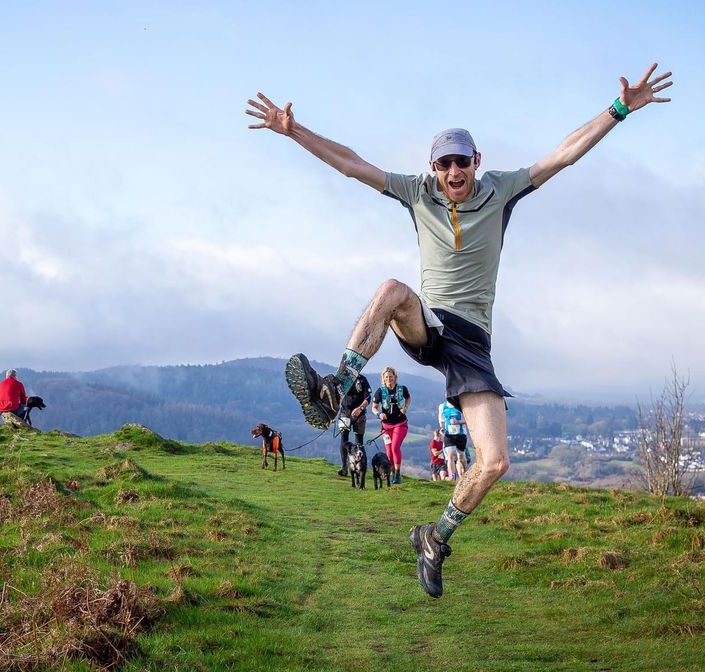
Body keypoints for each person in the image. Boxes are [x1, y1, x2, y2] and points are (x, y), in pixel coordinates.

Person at [246, 63, 673, 597]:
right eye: (444, 163)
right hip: (428, 323)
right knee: (392, 290)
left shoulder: (502, 191)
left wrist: (620, 110)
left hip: (472, 343)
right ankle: (335, 389)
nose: (453, 172)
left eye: (461, 162)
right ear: (432, 166)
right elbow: (353, 166)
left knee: (494, 461)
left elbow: (562, 154)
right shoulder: (417, 192)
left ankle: (434, 535)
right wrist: (295, 132)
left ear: (477, 162)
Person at [371, 367, 409, 484]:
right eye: (386, 377)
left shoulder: (402, 389)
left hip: (400, 424)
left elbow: (408, 398)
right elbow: (374, 407)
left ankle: (397, 474)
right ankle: (391, 472)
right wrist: (379, 414)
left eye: (391, 376)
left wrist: (405, 408)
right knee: (388, 451)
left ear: (395, 377)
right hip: (386, 427)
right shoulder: (380, 391)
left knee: (395, 448)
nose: (389, 379)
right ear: (383, 378)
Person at [337, 372, 371, 476]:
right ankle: (345, 468)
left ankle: (360, 469)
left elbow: (368, 397)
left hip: (359, 415)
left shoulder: (362, 380)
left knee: (359, 442)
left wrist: (360, 408)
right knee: (344, 440)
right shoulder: (341, 379)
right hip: (344, 413)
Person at [438, 399, 471, 479]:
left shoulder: (461, 405)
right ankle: (452, 476)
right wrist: (442, 429)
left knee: (461, 457)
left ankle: (465, 474)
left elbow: (468, 419)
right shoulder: (442, 406)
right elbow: (441, 421)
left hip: (461, 434)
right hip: (449, 435)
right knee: (450, 456)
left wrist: (457, 422)